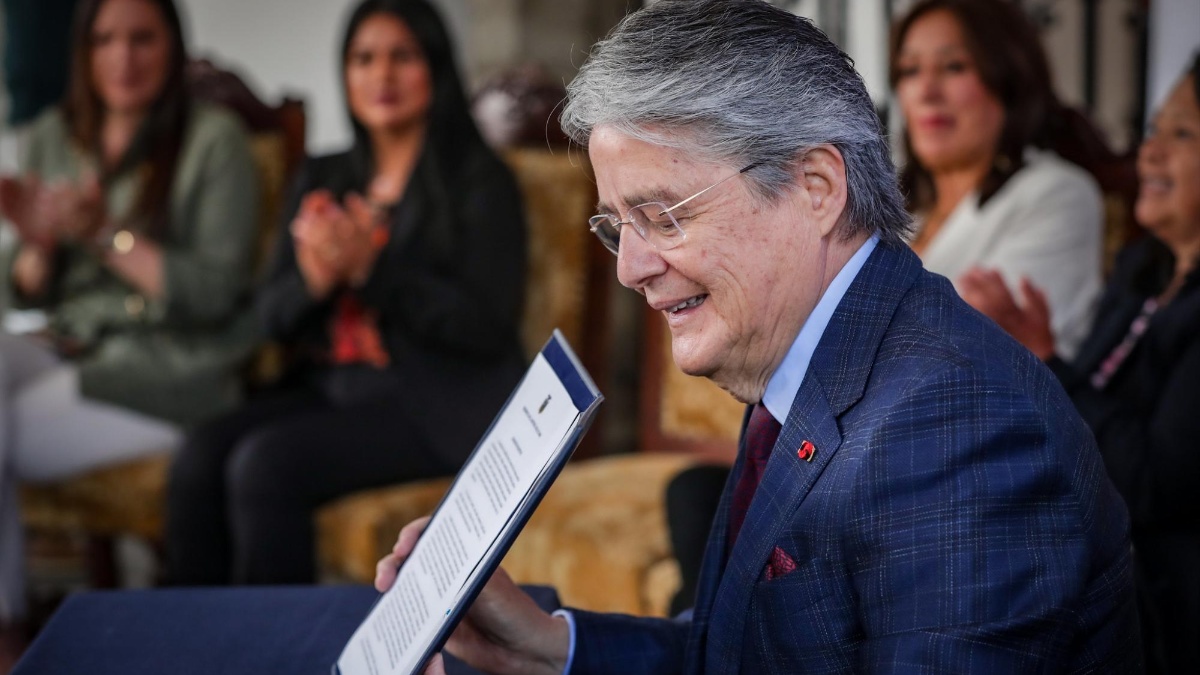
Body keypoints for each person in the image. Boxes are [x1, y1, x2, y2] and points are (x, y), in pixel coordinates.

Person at [375, 1, 1141, 672]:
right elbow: (740, 652)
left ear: (815, 188)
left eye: (665, 215)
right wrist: (547, 646)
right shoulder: (806, 351)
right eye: (618, 226)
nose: (631, 269)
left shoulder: (955, 432)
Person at [165, 0, 527, 586]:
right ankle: (197, 638)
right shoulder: (324, 175)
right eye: (364, 58)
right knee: (200, 455)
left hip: (431, 404)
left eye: (401, 56)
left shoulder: (482, 182)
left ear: (435, 66)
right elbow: (271, 317)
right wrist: (317, 279)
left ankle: (276, 650)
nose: (381, 75)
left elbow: (483, 328)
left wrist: (370, 269)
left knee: (266, 466)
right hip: (331, 388)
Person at [0, 0, 258, 649]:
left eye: (142, 38)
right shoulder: (55, 134)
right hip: (66, 344)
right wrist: (39, 245)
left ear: (172, 45)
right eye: (105, 40)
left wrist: (104, 236)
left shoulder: (214, 140)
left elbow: (214, 293)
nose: (123, 58)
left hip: (168, 365)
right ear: (83, 52)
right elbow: (24, 282)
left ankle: (6, 632)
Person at [967, 55, 1200, 675]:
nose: (1150, 153)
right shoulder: (1143, 272)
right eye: (1154, 130)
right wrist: (1039, 353)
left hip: (1161, 587)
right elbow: (1086, 408)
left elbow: (1152, 480)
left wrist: (1045, 359)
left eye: (1182, 134)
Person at [892, 0, 1103, 360]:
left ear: (1009, 79)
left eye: (953, 66)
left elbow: (955, 350)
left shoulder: (1058, 195)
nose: (926, 92)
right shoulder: (891, 202)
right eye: (910, 70)